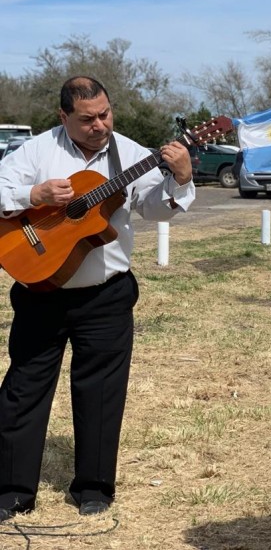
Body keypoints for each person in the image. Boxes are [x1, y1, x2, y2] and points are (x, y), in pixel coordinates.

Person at [0, 76, 195, 520]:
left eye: (105, 114)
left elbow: (155, 208)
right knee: (23, 389)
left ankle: (93, 488)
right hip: (39, 292)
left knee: (102, 391)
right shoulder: (35, 151)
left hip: (106, 296)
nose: (100, 125)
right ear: (63, 116)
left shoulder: (131, 154)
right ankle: (12, 490)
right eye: (87, 119)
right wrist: (33, 194)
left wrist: (181, 178)